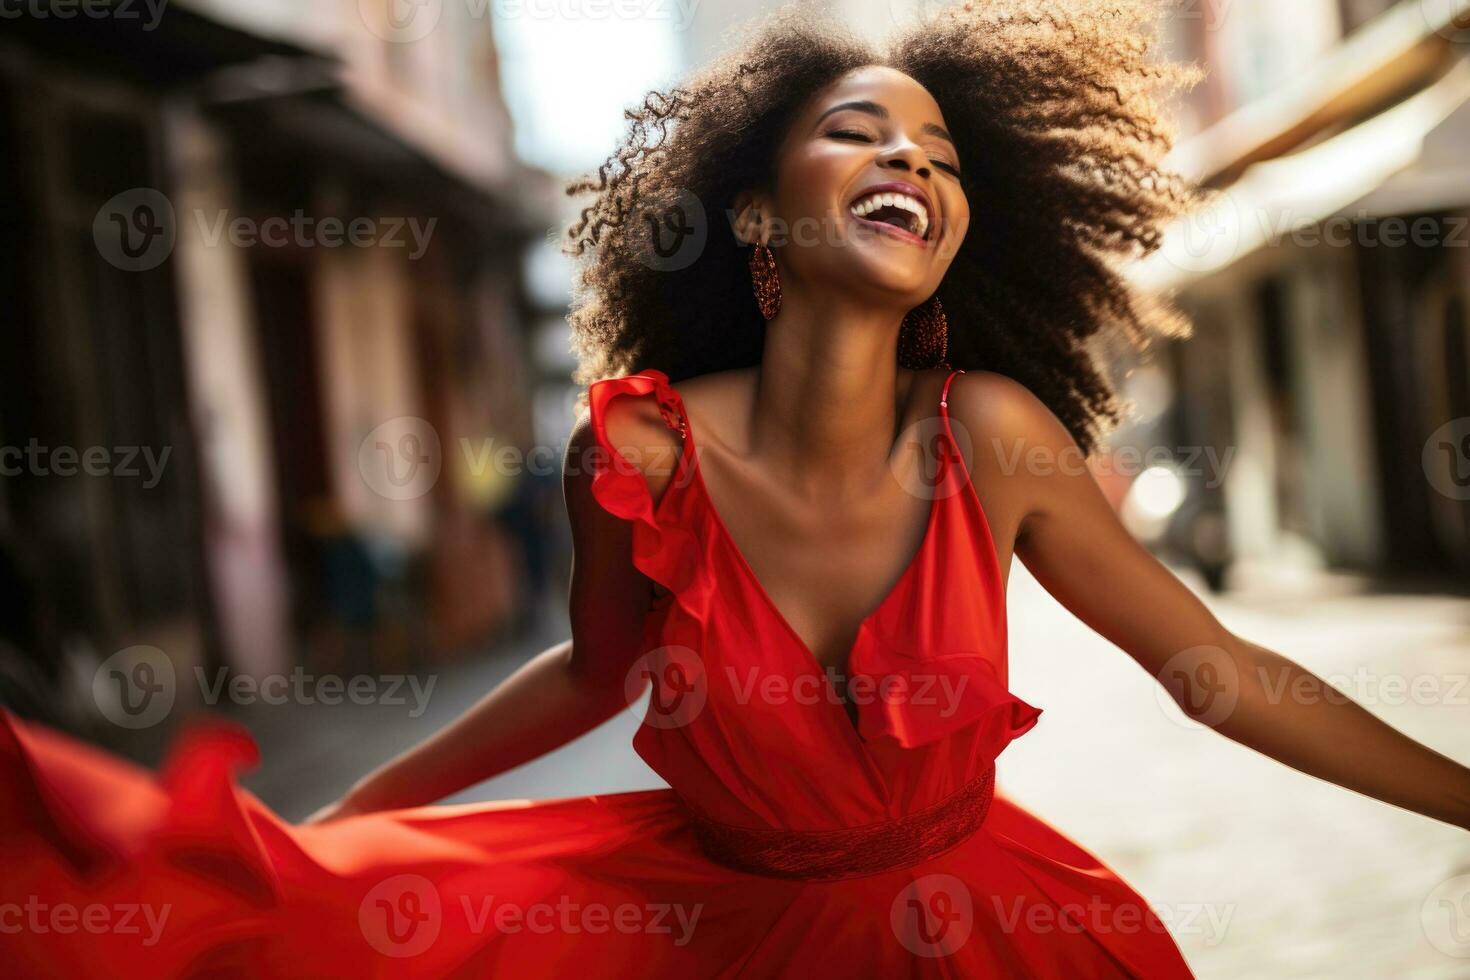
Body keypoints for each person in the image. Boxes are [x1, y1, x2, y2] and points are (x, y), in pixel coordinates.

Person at [4, 5, 1468, 977]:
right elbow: (594, 674)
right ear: (758, 209)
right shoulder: (636, 454)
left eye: (940, 154)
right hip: (709, 940)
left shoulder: (995, 437)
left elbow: (1215, 675)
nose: (909, 156)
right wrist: (316, 845)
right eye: (859, 133)